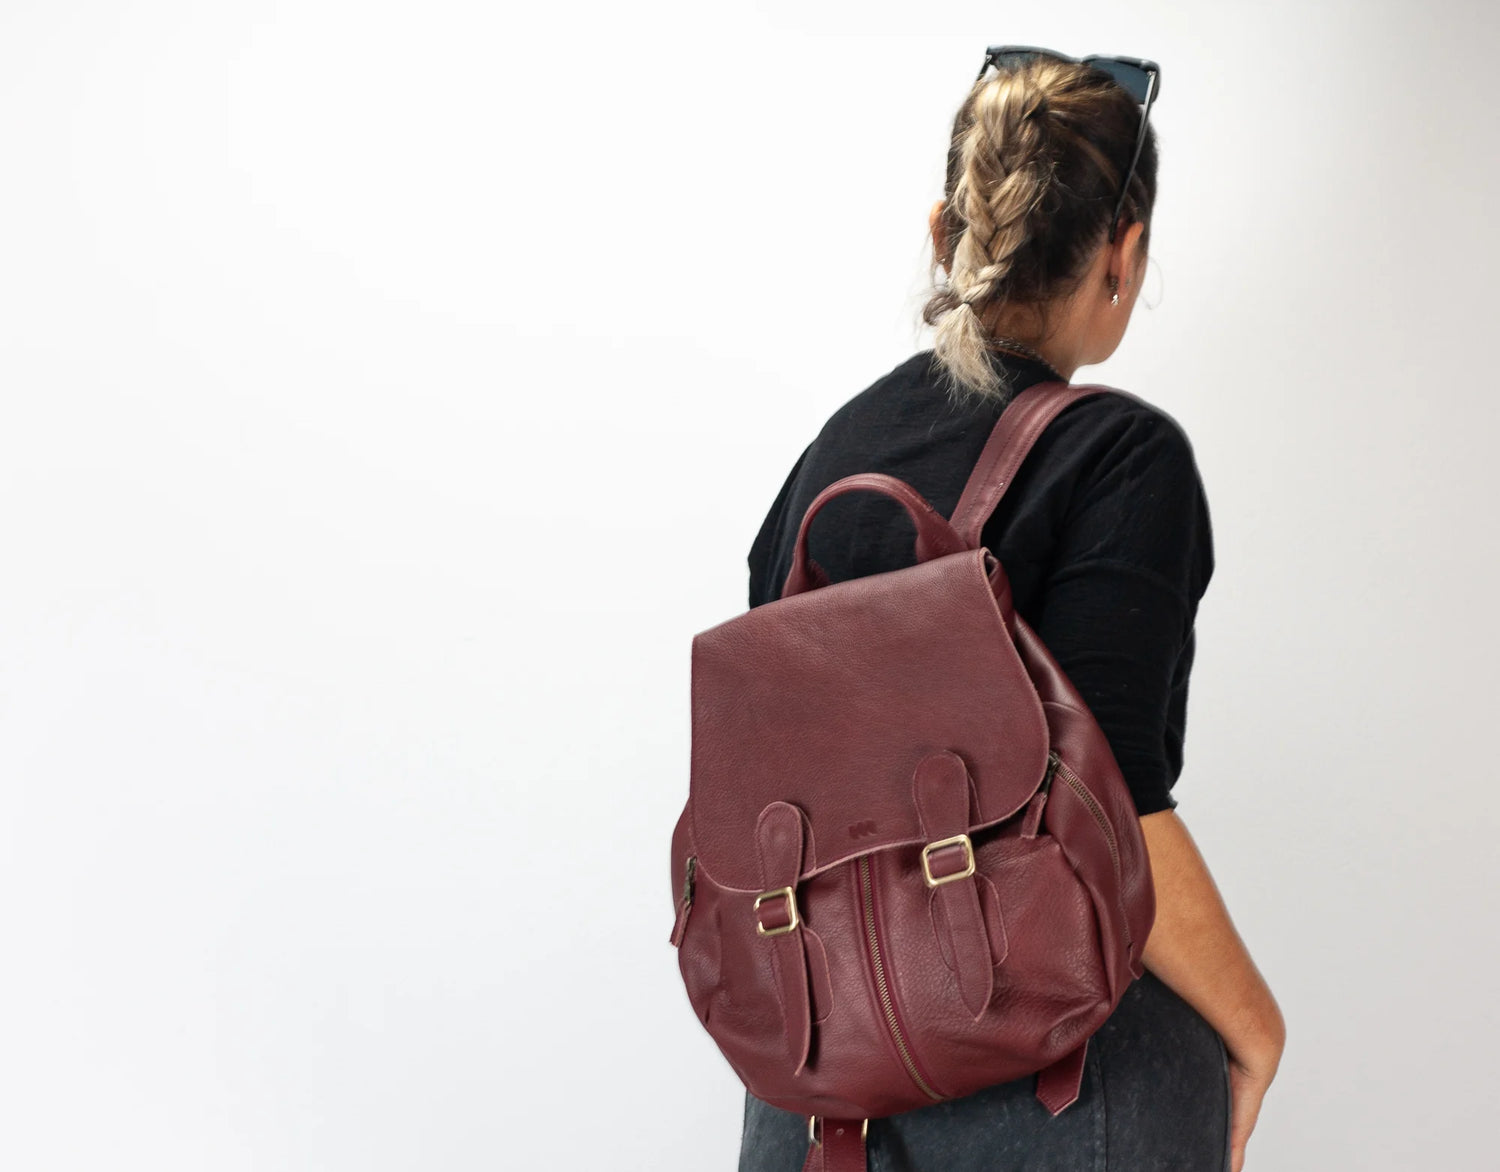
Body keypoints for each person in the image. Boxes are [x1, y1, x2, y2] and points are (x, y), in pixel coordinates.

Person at [736, 50, 1285, 1172]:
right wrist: (1256, 1022)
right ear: (1123, 255)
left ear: (946, 228)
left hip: (822, 1080)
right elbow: (1112, 803)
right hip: (1060, 1082)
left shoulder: (825, 463)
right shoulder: (1120, 456)